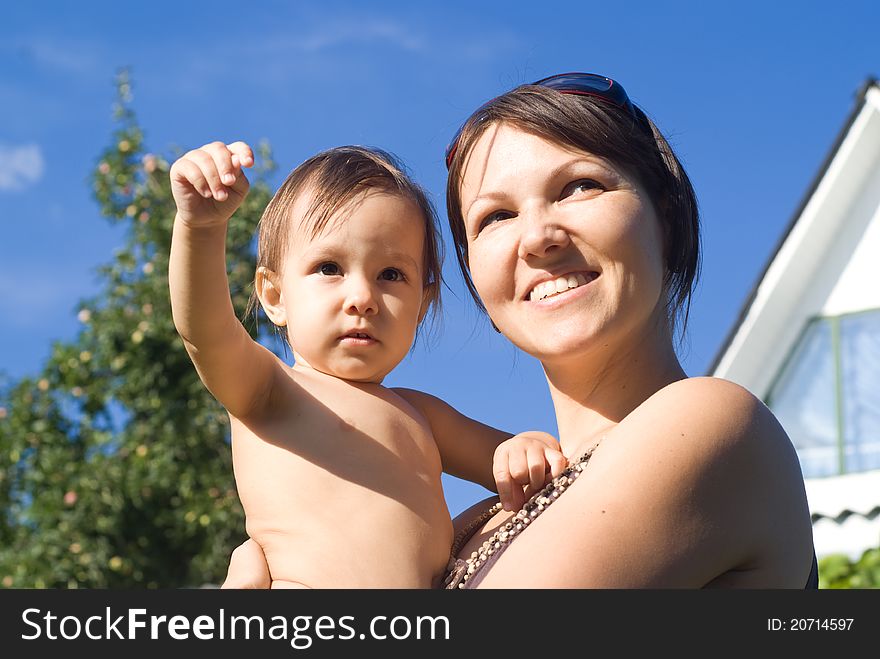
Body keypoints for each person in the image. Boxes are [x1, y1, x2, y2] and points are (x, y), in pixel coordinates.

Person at [221, 72, 818, 589]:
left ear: (663, 209)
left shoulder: (706, 424)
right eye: (496, 217)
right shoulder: (488, 519)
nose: (537, 238)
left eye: (580, 186)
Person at [168, 142, 568, 588]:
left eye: (391, 275)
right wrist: (201, 229)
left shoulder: (423, 416)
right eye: (329, 268)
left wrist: (526, 446)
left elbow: (517, 466)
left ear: (422, 304)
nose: (362, 299)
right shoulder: (271, 389)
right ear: (274, 296)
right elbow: (205, 331)